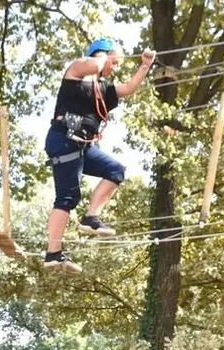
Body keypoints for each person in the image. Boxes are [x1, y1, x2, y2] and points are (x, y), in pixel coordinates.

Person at [42, 37, 155, 274]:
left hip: (84, 145)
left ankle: (91, 217)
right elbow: (92, 65)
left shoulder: (103, 89)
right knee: (68, 196)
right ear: (102, 54)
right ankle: (53, 253)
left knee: (115, 170)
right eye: (115, 62)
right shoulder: (77, 72)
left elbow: (128, 88)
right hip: (64, 139)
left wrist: (145, 66)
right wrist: (103, 56)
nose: (115, 68)